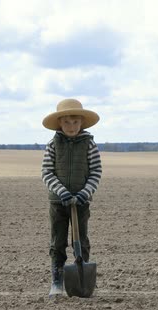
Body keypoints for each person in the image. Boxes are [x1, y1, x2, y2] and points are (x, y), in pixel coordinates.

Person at [41, 98, 102, 296]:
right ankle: (57, 280)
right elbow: (47, 173)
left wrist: (85, 193)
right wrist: (62, 192)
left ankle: (81, 272)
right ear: (60, 123)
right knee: (58, 241)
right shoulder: (52, 145)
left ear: (82, 123)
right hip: (58, 202)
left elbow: (95, 172)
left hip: (82, 202)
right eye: (67, 122)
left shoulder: (89, 144)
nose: (71, 126)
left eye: (75, 122)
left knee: (81, 240)